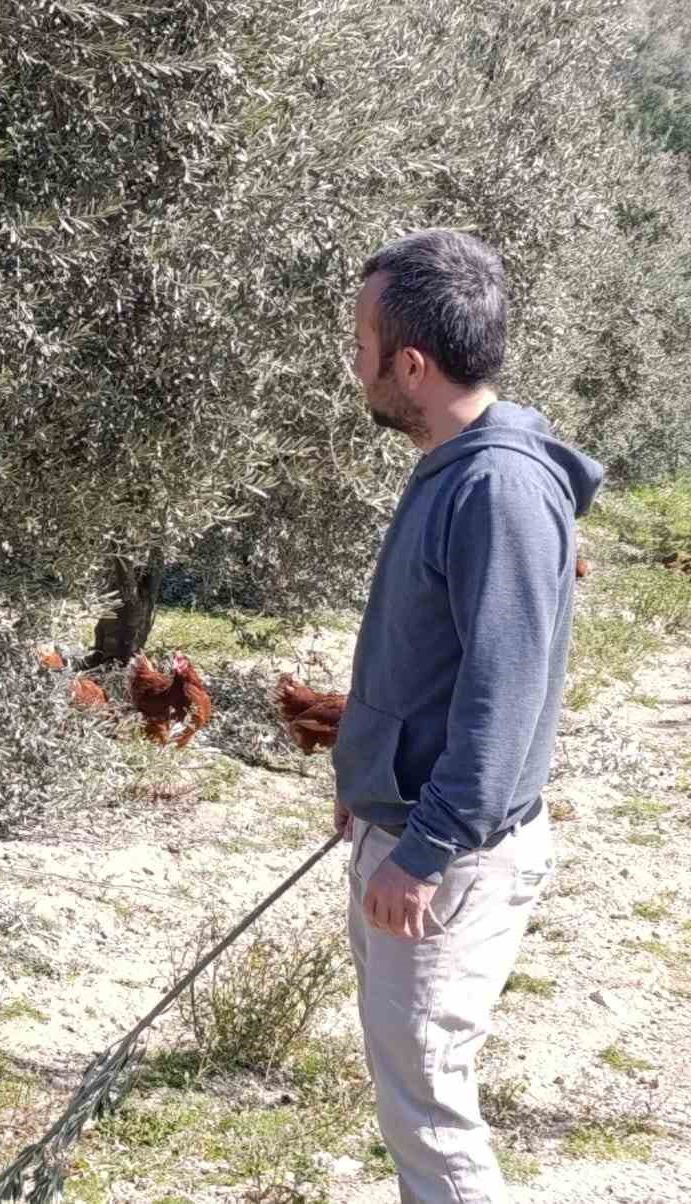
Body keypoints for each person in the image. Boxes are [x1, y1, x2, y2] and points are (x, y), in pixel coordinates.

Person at [332, 228, 604, 1204]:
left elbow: (503, 691)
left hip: (447, 861)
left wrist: (424, 846)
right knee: (415, 1103)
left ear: (411, 362)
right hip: (409, 833)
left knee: (432, 1117)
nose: (352, 363)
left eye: (359, 341)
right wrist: (366, 789)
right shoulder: (465, 465)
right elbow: (430, 665)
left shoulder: (497, 487)